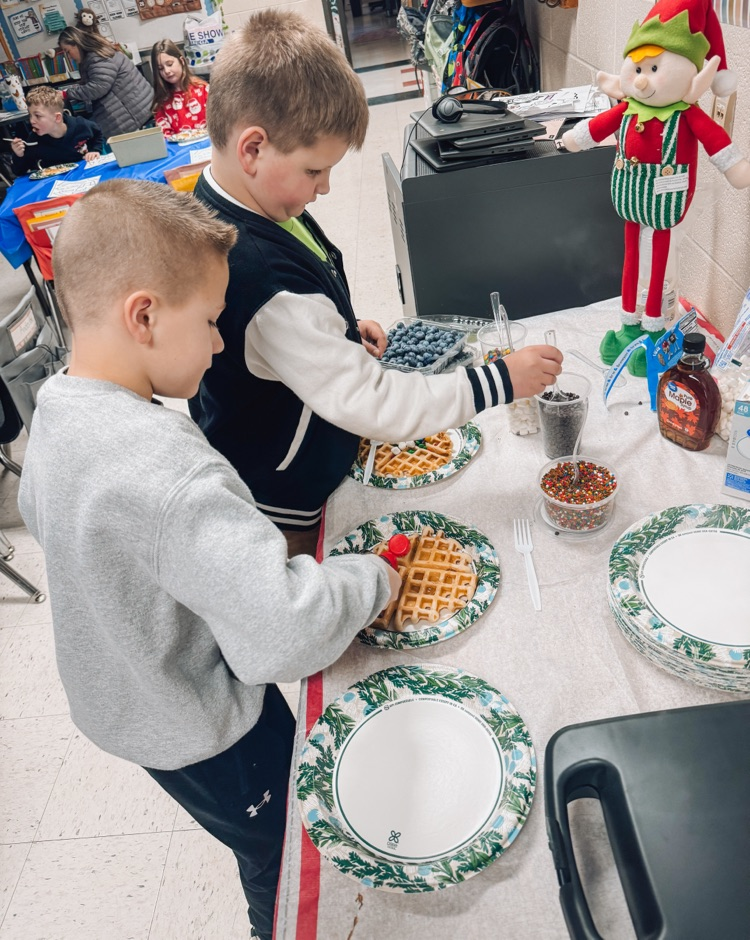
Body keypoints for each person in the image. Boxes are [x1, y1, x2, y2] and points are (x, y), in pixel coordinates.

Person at [18, 178, 400, 940]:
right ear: (146, 316)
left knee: (250, 840)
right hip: (205, 727)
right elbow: (286, 633)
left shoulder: (57, 413)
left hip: (123, 699)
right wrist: (371, 579)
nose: (223, 343)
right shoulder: (165, 468)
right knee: (281, 855)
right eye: (214, 322)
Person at [191, 9, 564, 556]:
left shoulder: (246, 203)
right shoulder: (260, 275)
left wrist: (338, 332)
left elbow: (293, 316)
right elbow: (373, 401)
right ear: (253, 148)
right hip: (288, 492)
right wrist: (501, 380)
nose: (323, 189)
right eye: (314, 171)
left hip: (294, 429)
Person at [58, 26, 153, 139]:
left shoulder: (96, 58)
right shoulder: (99, 53)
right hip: (139, 111)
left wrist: (66, 93)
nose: (69, 57)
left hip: (135, 117)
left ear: (77, 43)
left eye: (68, 51)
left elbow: (97, 88)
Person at [9, 86, 103, 175]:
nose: (31, 121)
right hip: (55, 182)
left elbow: (98, 133)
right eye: (30, 115)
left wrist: (95, 150)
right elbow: (19, 172)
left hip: (86, 173)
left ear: (57, 118)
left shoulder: (81, 125)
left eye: (38, 116)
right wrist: (19, 155)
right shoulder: (34, 140)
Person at [150, 38, 209, 136]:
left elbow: (218, 123)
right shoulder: (162, 101)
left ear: (181, 61)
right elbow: (165, 135)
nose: (167, 71)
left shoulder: (203, 89)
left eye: (170, 64)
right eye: (160, 68)